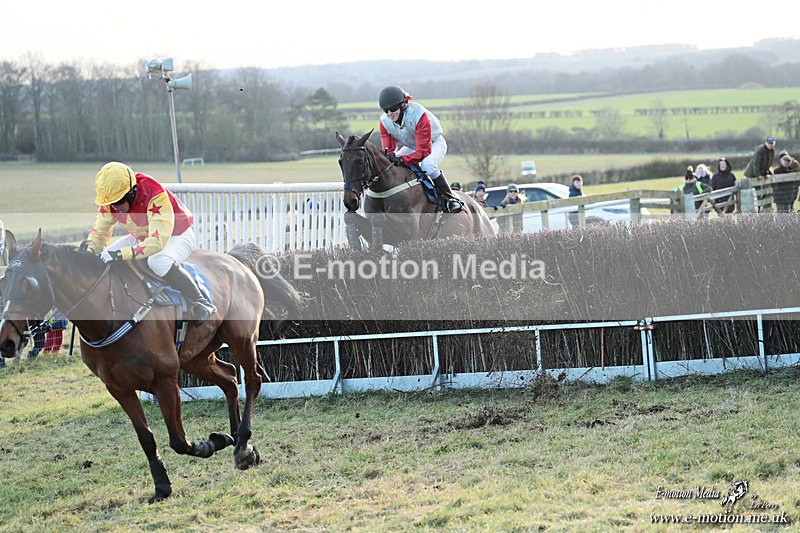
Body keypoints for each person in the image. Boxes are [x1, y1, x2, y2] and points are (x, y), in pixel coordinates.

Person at [85, 162, 216, 325]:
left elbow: (157, 242)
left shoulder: (154, 194)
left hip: (177, 234)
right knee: (103, 258)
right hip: (143, 235)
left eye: (118, 202)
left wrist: (122, 254)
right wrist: (90, 250)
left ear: (131, 192)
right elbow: (99, 233)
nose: (114, 208)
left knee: (158, 262)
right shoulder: (111, 201)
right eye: (111, 203)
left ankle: (201, 301)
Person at [377, 85, 462, 213]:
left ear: (402, 105)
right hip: (411, 146)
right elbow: (388, 148)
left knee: (427, 166)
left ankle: (451, 198)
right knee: (391, 165)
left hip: (434, 144)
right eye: (386, 110)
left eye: (393, 109)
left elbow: (423, 151)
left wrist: (402, 160)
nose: (389, 114)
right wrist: (390, 156)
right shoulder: (384, 121)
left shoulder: (418, 115)